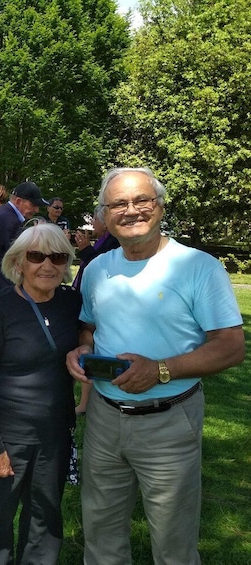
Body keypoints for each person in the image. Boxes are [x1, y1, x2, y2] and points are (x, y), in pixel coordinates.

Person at [66, 167, 245, 565]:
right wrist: (81, 350)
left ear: (160, 206)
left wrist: (161, 369)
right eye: (118, 204)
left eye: (141, 200)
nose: (131, 211)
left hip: (169, 421)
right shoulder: (96, 269)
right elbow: (88, 329)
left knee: (174, 544)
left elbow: (231, 347)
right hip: (104, 419)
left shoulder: (198, 267)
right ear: (104, 214)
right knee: (101, 536)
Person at [0, 222, 80, 564]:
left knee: (46, 515)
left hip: (54, 433)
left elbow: (90, 337)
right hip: (5, 433)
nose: (47, 265)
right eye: (36, 256)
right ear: (18, 262)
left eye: (57, 257)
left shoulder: (72, 302)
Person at [71, 204, 121, 414]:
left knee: (88, 346)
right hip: (87, 297)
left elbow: (102, 268)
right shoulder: (103, 240)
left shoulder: (113, 241)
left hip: (97, 301)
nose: (93, 223)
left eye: (95, 219)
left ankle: (86, 402)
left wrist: (85, 250)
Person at [0, 181, 49, 304]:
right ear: (18, 201)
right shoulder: (10, 221)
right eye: (33, 204)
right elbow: (22, 256)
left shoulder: (1, 213)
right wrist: (39, 236)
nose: (36, 209)